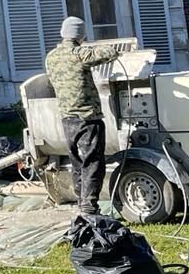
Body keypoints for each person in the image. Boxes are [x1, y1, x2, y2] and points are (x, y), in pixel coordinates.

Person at [43, 16, 132, 216]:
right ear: (81, 35)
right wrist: (119, 50)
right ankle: (89, 207)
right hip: (87, 118)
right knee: (92, 163)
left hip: (67, 118)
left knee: (77, 163)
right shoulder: (80, 53)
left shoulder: (51, 57)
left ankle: (81, 203)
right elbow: (105, 53)